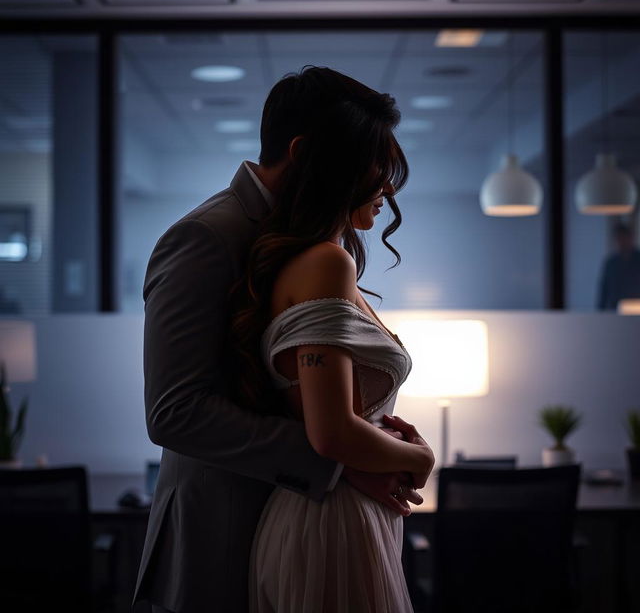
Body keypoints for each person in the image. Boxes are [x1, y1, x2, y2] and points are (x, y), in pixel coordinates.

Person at [133, 65, 434, 613]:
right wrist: (344, 462)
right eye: (371, 162)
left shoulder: (318, 239)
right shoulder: (206, 237)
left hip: (306, 520)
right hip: (224, 531)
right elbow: (175, 413)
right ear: (304, 154)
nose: (385, 186)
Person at [228, 67, 434, 612]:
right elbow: (332, 432)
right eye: (376, 167)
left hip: (338, 508)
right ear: (322, 164)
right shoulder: (324, 263)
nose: (387, 188)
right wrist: (420, 458)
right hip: (333, 519)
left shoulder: (317, 261)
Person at [597, 222, 640, 310]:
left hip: (636, 308)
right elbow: (604, 290)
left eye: (624, 238)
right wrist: (600, 313)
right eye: (619, 239)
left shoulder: (638, 259)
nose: (622, 242)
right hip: (615, 309)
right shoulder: (611, 263)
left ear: (631, 238)